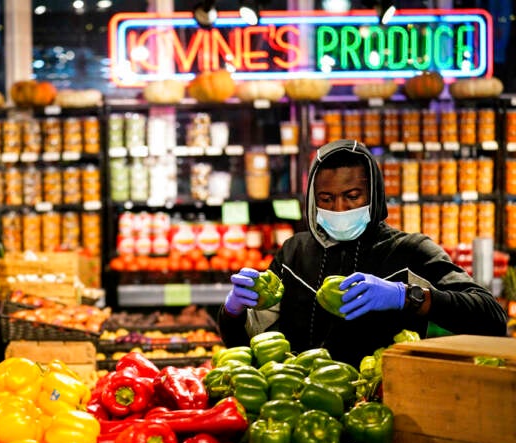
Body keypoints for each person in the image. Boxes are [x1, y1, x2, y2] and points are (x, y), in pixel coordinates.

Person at [218, 139, 508, 367]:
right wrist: (233, 310)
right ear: (313, 202)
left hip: (388, 406)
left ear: (374, 196)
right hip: (303, 407)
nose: (339, 209)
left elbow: (491, 318)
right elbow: (246, 346)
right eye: (326, 199)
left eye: (352, 196)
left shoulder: (410, 251)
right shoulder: (293, 254)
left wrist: (404, 296)